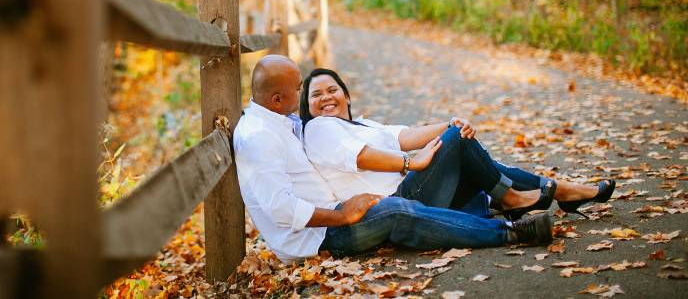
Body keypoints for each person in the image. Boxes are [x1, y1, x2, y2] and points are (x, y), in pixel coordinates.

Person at [233, 55, 554, 263]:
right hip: (317, 236)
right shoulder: (258, 137)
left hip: (332, 214)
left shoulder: (279, 119)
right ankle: (511, 232)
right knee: (395, 210)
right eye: (300, 88)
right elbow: (281, 209)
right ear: (277, 99)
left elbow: (400, 136)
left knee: (451, 152)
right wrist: (343, 216)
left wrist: (448, 126)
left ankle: (527, 194)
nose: (304, 93)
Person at [300, 68, 616, 222]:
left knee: (462, 141)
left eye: (332, 90)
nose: (326, 98)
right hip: (397, 202)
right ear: (308, 107)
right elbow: (364, 157)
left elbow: (406, 136)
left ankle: (562, 191)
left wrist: (452, 122)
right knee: (456, 144)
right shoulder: (318, 128)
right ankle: (512, 197)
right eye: (316, 95)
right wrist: (412, 164)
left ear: (347, 95)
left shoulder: (362, 125)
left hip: (415, 191)